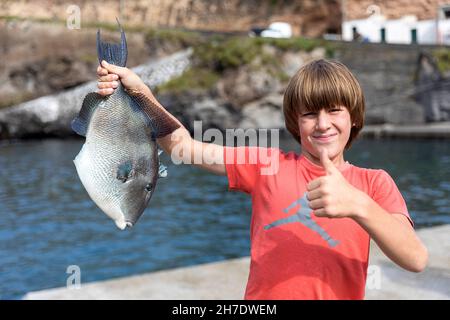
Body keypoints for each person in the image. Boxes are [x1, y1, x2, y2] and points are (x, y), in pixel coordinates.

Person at [95, 58, 428, 300]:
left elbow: (415, 259)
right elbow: (182, 146)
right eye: (310, 114)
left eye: (335, 111)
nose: (323, 124)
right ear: (295, 124)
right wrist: (140, 94)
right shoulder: (266, 164)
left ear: (354, 118)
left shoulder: (374, 183)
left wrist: (359, 205)